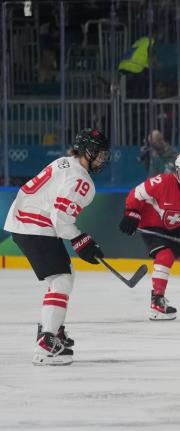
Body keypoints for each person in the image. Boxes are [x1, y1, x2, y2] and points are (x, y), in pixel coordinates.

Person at [4, 128, 110, 365]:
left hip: (26, 218)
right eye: (100, 153)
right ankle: (46, 343)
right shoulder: (82, 180)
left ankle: (54, 328)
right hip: (33, 224)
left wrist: (80, 239)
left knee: (64, 275)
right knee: (61, 279)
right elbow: (60, 219)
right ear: (88, 151)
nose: (103, 158)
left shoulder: (65, 162)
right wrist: (81, 239)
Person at [118, 153, 180, 320]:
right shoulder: (162, 182)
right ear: (177, 171)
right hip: (151, 223)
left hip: (174, 227)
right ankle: (156, 302)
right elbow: (137, 194)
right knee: (165, 256)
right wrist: (131, 213)